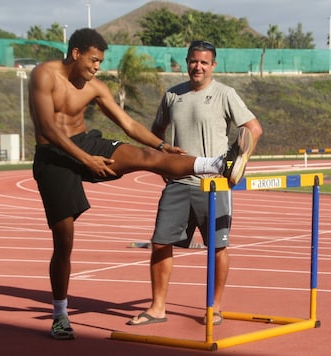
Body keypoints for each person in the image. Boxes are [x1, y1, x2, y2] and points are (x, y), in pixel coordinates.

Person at [29, 29, 251, 340]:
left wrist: (161, 147)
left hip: (83, 142)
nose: (97, 67)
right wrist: (87, 161)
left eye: (101, 62)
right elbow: (49, 129)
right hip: (54, 157)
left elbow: (130, 125)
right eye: (93, 60)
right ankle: (60, 314)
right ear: (76, 53)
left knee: (148, 156)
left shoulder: (95, 87)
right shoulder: (43, 75)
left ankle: (218, 163)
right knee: (64, 241)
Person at [128, 40, 263, 326]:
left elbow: (253, 128)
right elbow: (156, 132)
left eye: (204, 62)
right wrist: (162, 152)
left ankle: (215, 307)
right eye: (193, 61)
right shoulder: (172, 95)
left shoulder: (225, 94)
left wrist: (239, 163)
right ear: (186, 61)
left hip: (214, 185)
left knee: (218, 246)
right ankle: (157, 308)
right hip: (178, 182)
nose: (197, 66)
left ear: (213, 65)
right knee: (160, 242)